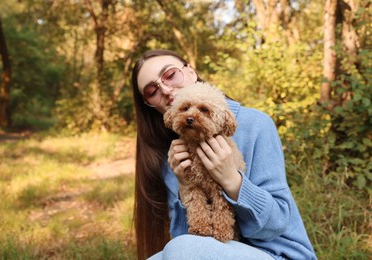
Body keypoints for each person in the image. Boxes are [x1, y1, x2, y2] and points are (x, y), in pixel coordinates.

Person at [131, 49, 317, 260]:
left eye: (170, 74)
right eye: (151, 90)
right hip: (206, 252)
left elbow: (277, 224)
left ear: (191, 72)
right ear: (149, 105)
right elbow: (187, 238)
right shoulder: (174, 153)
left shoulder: (257, 125)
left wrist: (232, 180)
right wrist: (184, 186)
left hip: (277, 254)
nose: (164, 89)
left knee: (183, 250)